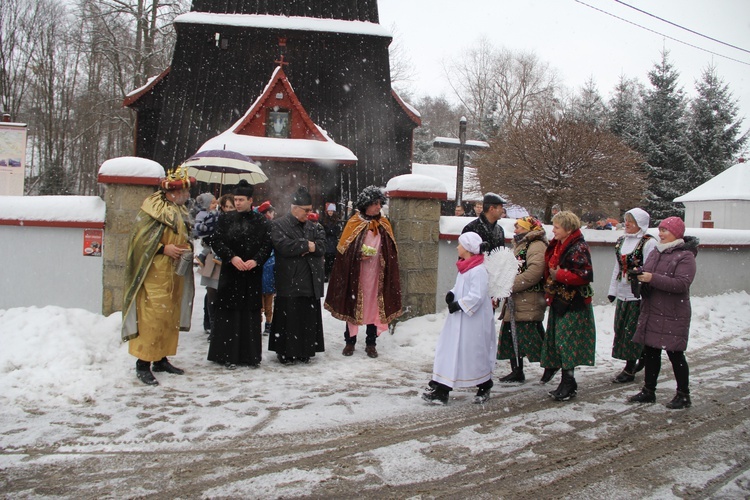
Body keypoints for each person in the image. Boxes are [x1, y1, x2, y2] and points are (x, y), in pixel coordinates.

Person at [121, 166, 196, 386]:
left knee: (168, 316)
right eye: (185, 192)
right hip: (155, 272)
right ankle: (142, 362)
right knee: (152, 317)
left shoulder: (179, 209)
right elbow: (139, 242)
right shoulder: (152, 210)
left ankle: (161, 358)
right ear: (173, 193)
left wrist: (186, 247)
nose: (188, 196)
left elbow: (184, 234)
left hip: (174, 273)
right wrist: (164, 249)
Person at [628, 217, 698, 409]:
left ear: (677, 233)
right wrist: (639, 274)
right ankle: (649, 391)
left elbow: (681, 284)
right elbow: (649, 273)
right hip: (653, 309)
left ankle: (683, 394)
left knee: (675, 353)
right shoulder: (657, 251)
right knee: (651, 351)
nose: (661, 233)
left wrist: (652, 278)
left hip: (673, 313)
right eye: (660, 229)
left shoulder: (685, 256)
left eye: (665, 230)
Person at [325, 186, 403, 358]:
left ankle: (371, 343)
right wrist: (358, 254)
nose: (378, 207)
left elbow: (391, 250)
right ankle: (349, 342)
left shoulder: (383, 223)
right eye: (374, 204)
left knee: (374, 307)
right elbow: (344, 250)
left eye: (379, 203)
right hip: (357, 274)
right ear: (365, 204)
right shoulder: (354, 222)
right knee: (353, 305)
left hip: (377, 275)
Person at [422, 232, 496, 405]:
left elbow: (477, 295)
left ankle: (484, 385)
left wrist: (460, 304)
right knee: (449, 350)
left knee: (472, 353)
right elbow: (459, 285)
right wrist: (452, 294)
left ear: (468, 249)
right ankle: (442, 388)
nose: (457, 247)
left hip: (473, 321)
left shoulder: (478, 270)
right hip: (458, 319)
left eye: (460, 244)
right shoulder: (465, 266)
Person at [207, 180, 272, 369]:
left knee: (249, 315)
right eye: (235, 199)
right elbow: (216, 241)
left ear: (250, 200)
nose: (237, 203)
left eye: (241, 199)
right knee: (229, 313)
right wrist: (231, 257)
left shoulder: (261, 221)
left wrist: (257, 260)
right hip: (231, 274)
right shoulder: (225, 219)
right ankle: (227, 354)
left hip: (251, 274)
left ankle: (250, 356)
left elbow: (267, 245)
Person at [541, 211, 596, 401]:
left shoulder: (578, 247)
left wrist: (559, 276)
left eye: (557, 227)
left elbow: (584, 276)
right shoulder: (560, 245)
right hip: (560, 300)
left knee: (567, 342)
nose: (553, 230)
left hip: (573, 302)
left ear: (568, 229)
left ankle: (568, 382)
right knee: (559, 340)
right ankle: (567, 382)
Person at [268, 186, 327, 364]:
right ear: (294, 208)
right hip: (290, 281)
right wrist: (306, 245)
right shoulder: (279, 224)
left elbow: (322, 246)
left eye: (310, 210)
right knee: (289, 319)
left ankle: (305, 350)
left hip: (310, 280)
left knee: (307, 318)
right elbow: (283, 246)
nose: (309, 213)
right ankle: (285, 351)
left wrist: (308, 247)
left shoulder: (313, 227)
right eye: (306, 210)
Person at [497, 216, 553, 384]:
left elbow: (536, 271)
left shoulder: (536, 245)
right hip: (516, 298)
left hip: (529, 297)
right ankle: (517, 370)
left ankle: (550, 364)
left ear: (529, 229)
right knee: (511, 333)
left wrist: (511, 284)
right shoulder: (522, 244)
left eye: (519, 228)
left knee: (529, 334)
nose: (515, 231)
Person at [607, 208, 657, 383]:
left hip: (638, 295)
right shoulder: (621, 241)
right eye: (626, 220)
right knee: (620, 328)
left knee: (632, 331)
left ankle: (630, 368)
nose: (626, 224)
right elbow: (617, 267)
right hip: (623, 293)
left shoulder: (648, 243)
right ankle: (641, 356)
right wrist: (612, 290)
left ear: (641, 224)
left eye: (631, 221)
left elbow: (651, 269)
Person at [199, 194, 235, 340]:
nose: (228, 210)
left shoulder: (238, 222)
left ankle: (220, 325)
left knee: (223, 295)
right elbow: (204, 237)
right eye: (226, 206)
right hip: (213, 260)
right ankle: (211, 324)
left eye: (231, 207)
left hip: (229, 261)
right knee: (211, 293)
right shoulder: (214, 219)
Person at [257, 201, 276, 336]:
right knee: (267, 301)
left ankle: (265, 322)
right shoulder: (268, 227)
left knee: (264, 302)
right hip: (267, 268)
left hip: (264, 269)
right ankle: (267, 323)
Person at [321, 203, 343, 282]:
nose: (330, 212)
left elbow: (337, 231)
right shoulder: (324, 220)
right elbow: (323, 230)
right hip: (327, 241)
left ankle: (331, 275)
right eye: (329, 211)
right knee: (327, 260)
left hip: (332, 241)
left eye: (331, 211)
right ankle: (327, 275)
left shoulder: (336, 221)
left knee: (332, 260)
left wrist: (330, 231)